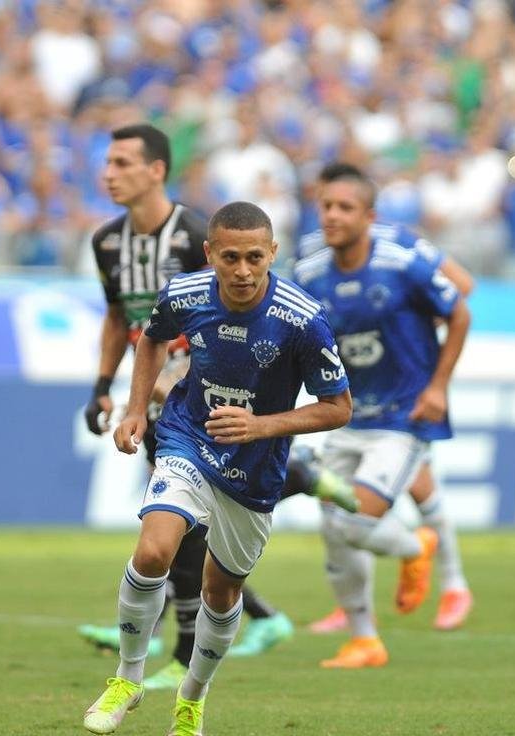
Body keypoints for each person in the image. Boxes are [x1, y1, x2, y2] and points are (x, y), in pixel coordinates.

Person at [77, 124, 345, 692]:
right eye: (107, 162)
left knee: (210, 546)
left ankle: (299, 479)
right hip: (175, 409)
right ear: (212, 258)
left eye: (122, 162)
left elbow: (308, 379)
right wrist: (108, 387)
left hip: (220, 406)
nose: (109, 173)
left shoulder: (203, 231)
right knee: (169, 536)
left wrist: (187, 382)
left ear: (156, 171)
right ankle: (177, 646)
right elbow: (123, 322)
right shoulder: (106, 243)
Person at [293, 164, 471, 668]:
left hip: (402, 413)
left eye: (344, 207)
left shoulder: (401, 259)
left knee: (353, 520)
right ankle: (364, 639)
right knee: (333, 524)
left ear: (369, 216)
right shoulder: (307, 267)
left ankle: (418, 547)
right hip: (345, 413)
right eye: (326, 205)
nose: (332, 215)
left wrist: (437, 386)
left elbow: (460, 307)